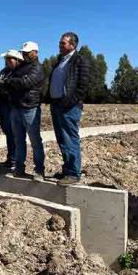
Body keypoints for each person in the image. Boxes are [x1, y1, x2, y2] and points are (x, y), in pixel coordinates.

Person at [47, 32, 89, 185]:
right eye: (60, 43)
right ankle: (67, 169)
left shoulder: (79, 60)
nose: (60, 45)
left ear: (72, 45)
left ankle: (73, 173)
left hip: (69, 107)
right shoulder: (60, 60)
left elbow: (82, 86)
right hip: (56, 104)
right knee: (62, 139)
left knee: (70, 138)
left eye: (63, 43)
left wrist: (69, 101)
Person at [4, 41, 46, 180]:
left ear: (36, 52)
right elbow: (10, 82)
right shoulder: (20, 67)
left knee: (35, 141)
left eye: (28, 52)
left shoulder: (38, 68)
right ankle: (19, 169)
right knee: (19, 140)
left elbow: (25, 83)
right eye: (24, 52)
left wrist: (10, 82)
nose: (25, 54)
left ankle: (39, 170)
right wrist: (11, 82)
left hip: (30, 108)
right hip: (16, 107)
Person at [0, 50, 23, 170]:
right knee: (8, 134)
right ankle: (11, 158)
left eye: (10, 59)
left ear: (17, 60)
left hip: (13, 106)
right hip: (3, 105)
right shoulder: (4, 71)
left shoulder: (19, 72)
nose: (7, 61)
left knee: (14, 134)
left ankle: (15, 159)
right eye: (6, 59)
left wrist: (4, 84)